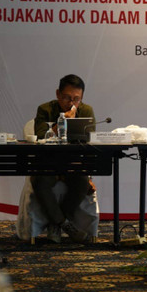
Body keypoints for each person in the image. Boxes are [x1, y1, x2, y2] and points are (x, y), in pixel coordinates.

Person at [31, 74, 95, 243]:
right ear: (58, 94)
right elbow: (38, 136)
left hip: (73, 163)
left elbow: (91, 143)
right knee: (39, 182)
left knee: (82, 183)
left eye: (76, 99)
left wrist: (90, 176)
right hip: (48, 162)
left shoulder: (86, 111)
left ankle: (56, 224)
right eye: (67, 98)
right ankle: (65, 224)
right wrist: (61, 123)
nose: (72, 103)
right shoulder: (44, 109)